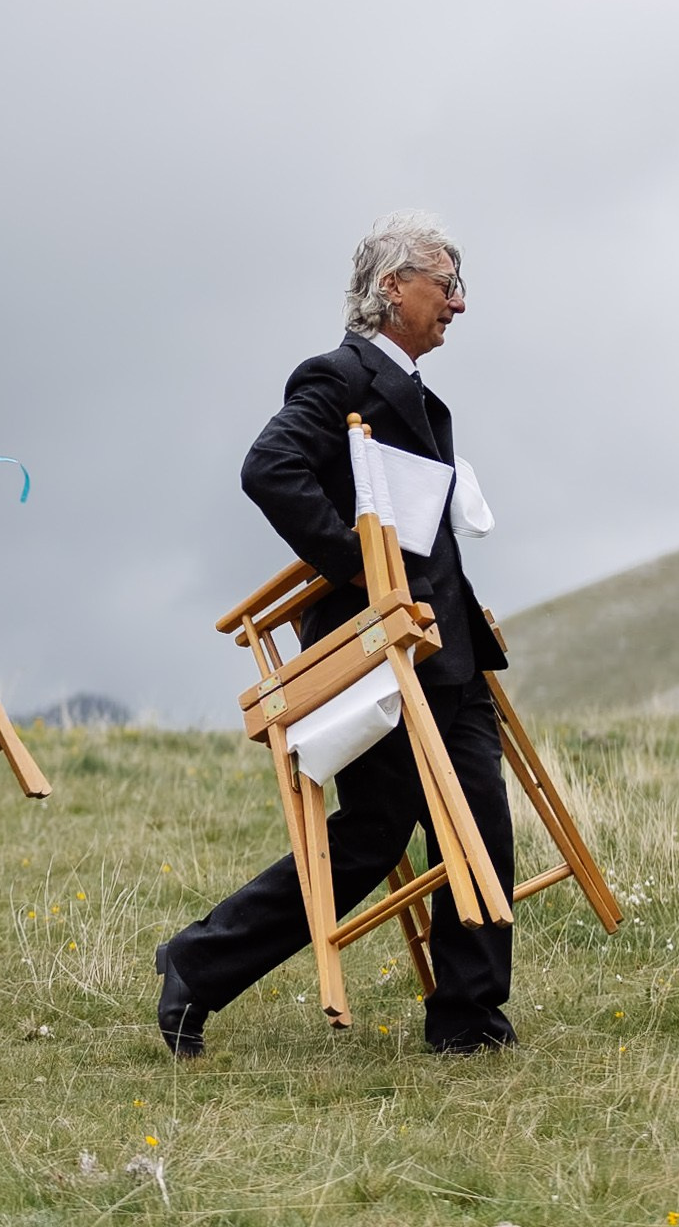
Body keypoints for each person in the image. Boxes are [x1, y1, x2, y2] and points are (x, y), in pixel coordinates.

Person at [155, 210, 516, 1056]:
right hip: (381, 646)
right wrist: (361, 566)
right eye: (446, 285)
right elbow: (268, 467)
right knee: (371, 838)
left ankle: (469, 1017)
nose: (459, 305)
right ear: (393, 287)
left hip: (447, 648)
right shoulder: (339, 373)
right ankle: (198, 964)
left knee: (479, 822)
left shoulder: (416, 388)